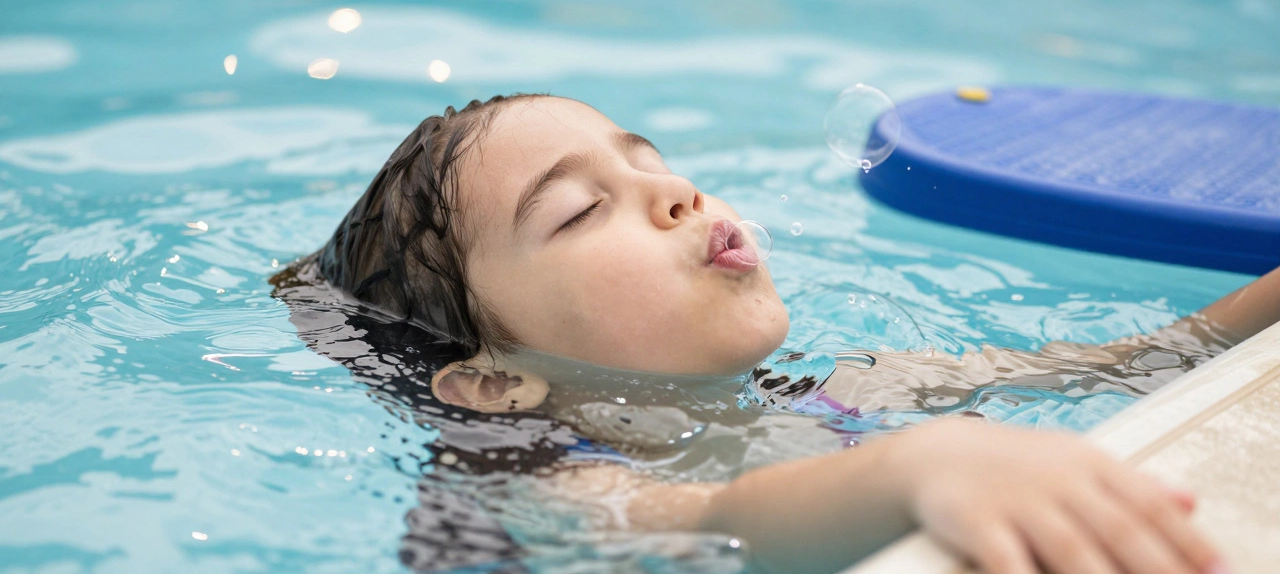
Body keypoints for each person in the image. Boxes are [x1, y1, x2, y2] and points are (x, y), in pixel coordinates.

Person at [280, 93, 1280, 574]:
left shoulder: (850, 388)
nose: (672, 193)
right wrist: (920, 463)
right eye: (581, 211)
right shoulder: (537, 487)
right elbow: (724, 518)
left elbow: (1136, 362)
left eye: (653, 164)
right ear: (493, 382)